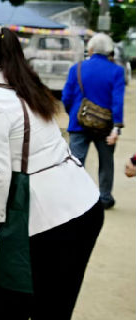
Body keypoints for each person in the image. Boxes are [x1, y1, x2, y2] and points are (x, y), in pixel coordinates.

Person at [0, 24, 103, 320]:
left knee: (10, 304)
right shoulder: (21, 87)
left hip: (50, 216)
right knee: (51, 315)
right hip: (80, 205)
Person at [62, 33, 126, 209]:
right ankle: (105, 197)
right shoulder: (116, 71)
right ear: (109, 51)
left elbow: (66, 96)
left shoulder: (77, 68)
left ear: (90, 49)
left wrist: (74, 113)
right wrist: (116, 128)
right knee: (106, 162)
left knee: (75, 161)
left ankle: (73, 196)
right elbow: (117, 101)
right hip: (105, 126)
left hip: (78, 123)